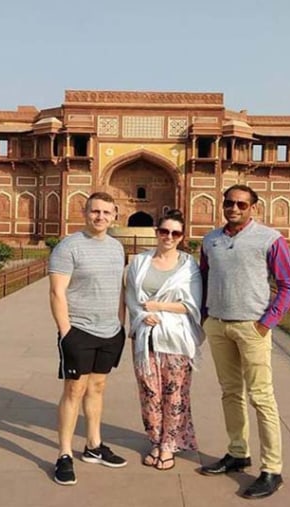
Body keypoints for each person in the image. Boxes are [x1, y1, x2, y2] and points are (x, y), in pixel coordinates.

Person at [198, 184, 290, 499]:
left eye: (242, 204)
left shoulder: (270, 239)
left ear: (253, 207)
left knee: (261, 398)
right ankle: (237, 453)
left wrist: (265, 323)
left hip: (251, 327)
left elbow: (289, 285)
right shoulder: (210, 240)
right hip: (219, 324)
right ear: (222, 205)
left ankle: (272, 469)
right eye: (229, 203)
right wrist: (205, 316)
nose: (235, 209)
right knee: (230, 393)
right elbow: (202, 279)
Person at [48, 192, 127, 486]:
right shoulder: (68, 247)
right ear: (84, 212)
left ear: (115, 215)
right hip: (78, 330)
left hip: (109, 330)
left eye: (107, 212)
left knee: (98, 387)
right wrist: (66, 332)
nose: (101, 217)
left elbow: (119, 289)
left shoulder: (117, 248)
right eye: (96, 211)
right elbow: (57, 292)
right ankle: (64, 454)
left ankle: (93, 445)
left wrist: (120, 324)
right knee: (74, 391)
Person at [125, 209, 204, 471]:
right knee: (150, 393)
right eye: (164, 231)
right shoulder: (140, 262)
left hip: (175, 340)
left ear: (181, 236)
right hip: (146, 337)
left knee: (175, 393)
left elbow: (192, 305)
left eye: (175, 233)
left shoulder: (188, 265)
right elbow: (132, 298)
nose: (169, 236)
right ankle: (156, 441)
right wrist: (140, 316)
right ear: (156, 232)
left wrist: (157, 306)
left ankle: (170, 445)